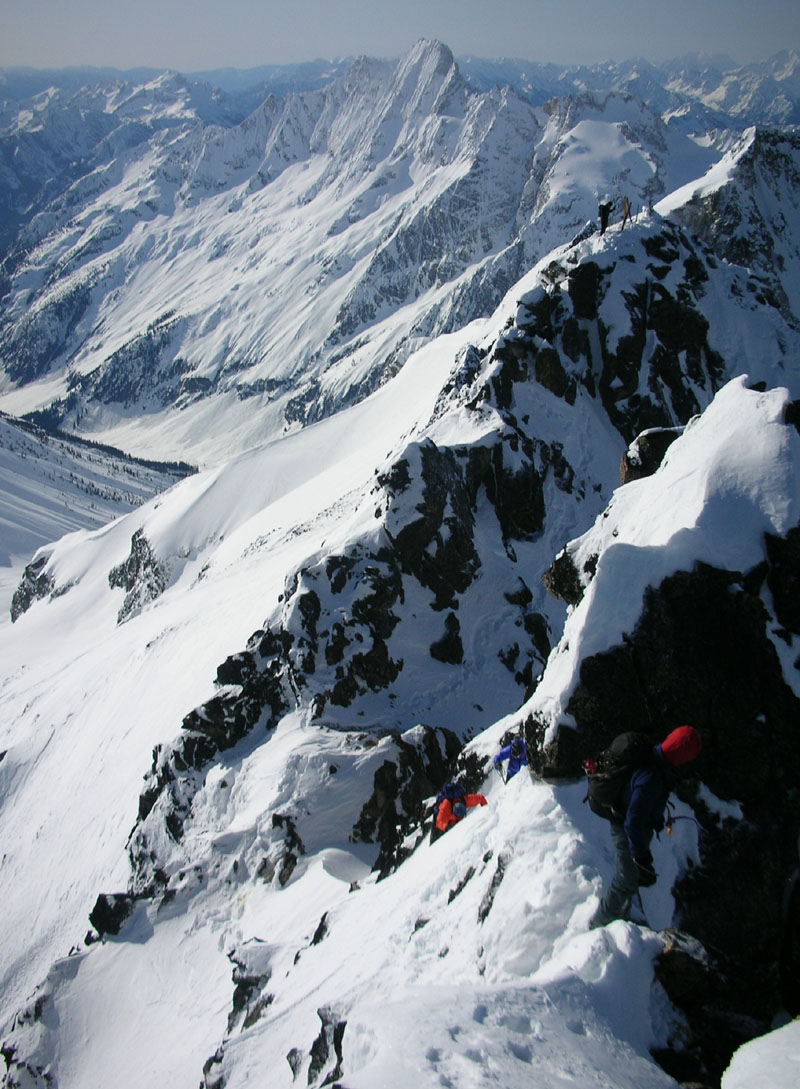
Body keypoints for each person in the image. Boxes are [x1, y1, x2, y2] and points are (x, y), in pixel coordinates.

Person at [589, 725, 702, 928]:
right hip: (624, 829)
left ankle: (619, 918)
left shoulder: (654, 759)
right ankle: (598, 925)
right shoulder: (651, 776)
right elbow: (633, 821)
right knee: (625, 881)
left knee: (629, 878)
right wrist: (640, 856)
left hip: (629, 826)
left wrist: (654, 820)